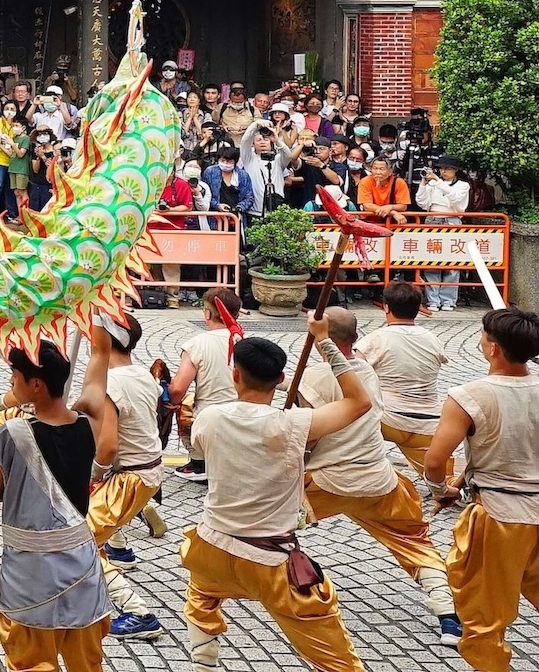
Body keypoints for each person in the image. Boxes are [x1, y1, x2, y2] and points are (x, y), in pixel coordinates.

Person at [181, 325, 369, 672]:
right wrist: (325, 342)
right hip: (269, 556)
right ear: (282, 378)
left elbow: (200, 446)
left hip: (211, 545)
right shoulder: (294, 425)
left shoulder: (208, 417)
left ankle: (203, 663)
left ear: (235, 375)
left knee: (202, 596)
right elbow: (359, 403)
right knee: (331, 650)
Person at [296, 307, 459, 647]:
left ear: (319, 336)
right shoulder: (367, 371)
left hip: (326, 480)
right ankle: (448, 613)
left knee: (269, 525)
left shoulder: (314, 377)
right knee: (413, 540)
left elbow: (307, 435)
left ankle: (271, 586)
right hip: (377, 478)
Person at [0, 323, 115, 671]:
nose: (11, 384)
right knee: (85, 660)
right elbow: (100, 359)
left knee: (30, 660)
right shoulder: (90, 423)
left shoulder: (13, 434)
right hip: (80, 565)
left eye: (14, 377)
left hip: (30, 573)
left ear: (35, 385)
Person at [425, 306, 539, 672]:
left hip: (502, 517)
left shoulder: (469, 396)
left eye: (483, 335)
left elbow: (434, 460)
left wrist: (441, 488)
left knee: (483, 614)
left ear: (493, 348)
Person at [91, 313, 166, 642]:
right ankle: (119, 552)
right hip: (148, 470)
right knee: (96, 525)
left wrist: (92, 474)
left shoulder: (112, 383)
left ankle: (137, 612)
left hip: (129, 476)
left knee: (78, 542)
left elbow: (107, 448)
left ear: (105, 340)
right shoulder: (141, 373)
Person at [359, 280, 448, 474]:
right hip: (430, 423)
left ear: (386, 307)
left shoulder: (376, 338)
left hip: (387, 420)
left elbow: (352, 372)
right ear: (418, 309)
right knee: (440, 477)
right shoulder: (434, 340)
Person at [167, 288, 243, 483]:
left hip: (209, 420)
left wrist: (167, 402)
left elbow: (177, 389)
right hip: (243, 417)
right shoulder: (243, 339)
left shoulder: (197, 343)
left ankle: (199, 462)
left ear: (207, 314)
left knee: (184, 403)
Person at [416, 155, 471, 312]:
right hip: (432, 219)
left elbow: (455, 198)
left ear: (455, 170)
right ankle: (433, 300)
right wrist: (424, 183)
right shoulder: (434, 183)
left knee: (452, 263)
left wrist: (437, 182)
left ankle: (448, 300)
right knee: (431, 262)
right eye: (441, 168)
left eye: (447, 168)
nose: (443, 171)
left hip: (452, 220)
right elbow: (422, 202)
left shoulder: (463, 185)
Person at [355, 155, 411, 222]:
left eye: (381, 169)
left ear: (390, 171)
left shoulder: (399, 182)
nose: (378, 172)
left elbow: (403, 206)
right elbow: (367, 206)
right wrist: (393, 212)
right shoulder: (365, 181)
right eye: (375, 168)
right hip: (370, 221)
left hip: (392, 221)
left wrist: (390, 207)